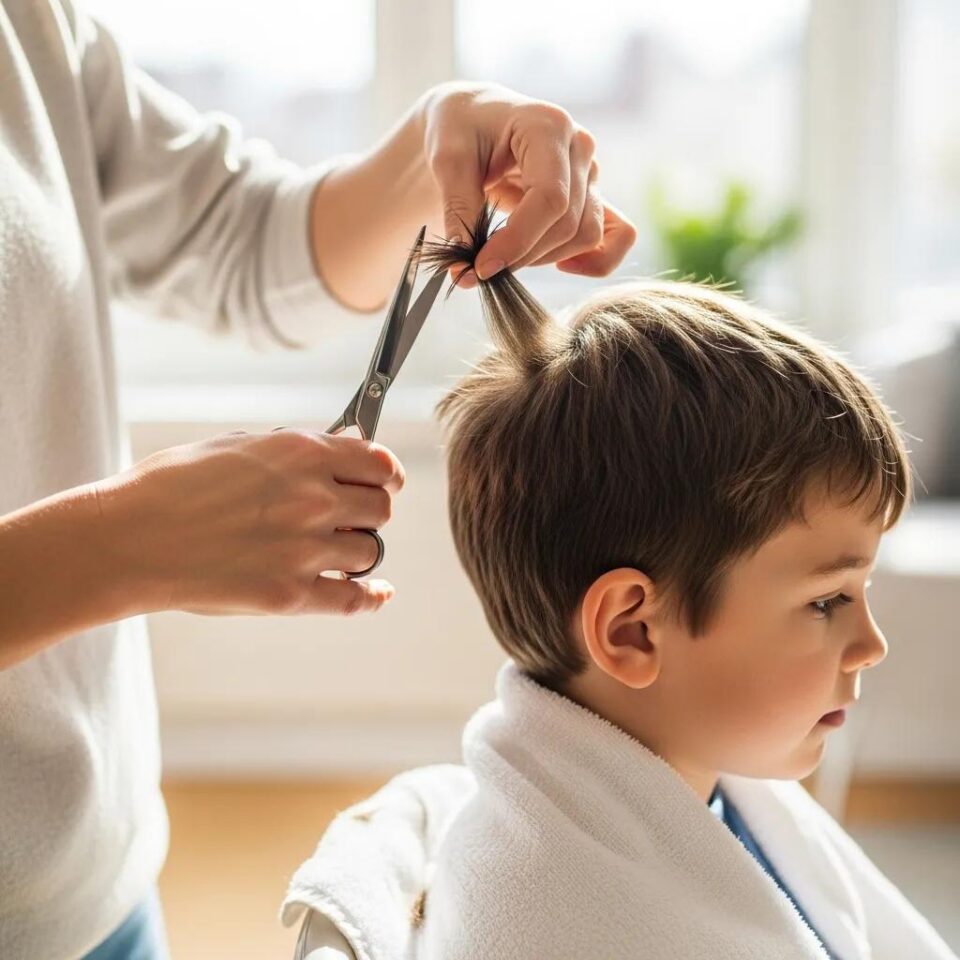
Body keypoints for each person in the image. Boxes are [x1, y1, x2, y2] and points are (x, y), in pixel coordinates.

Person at [0, 1, 637, 957]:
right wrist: (121, 545)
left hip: (94, 879)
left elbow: (236, 235)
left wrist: (435, 147)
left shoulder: (28, 24)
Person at [281, 217, 957, 959]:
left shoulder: (696, 779)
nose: (871, 645)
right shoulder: (578, 932)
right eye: (828, 601)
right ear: (631, 630)